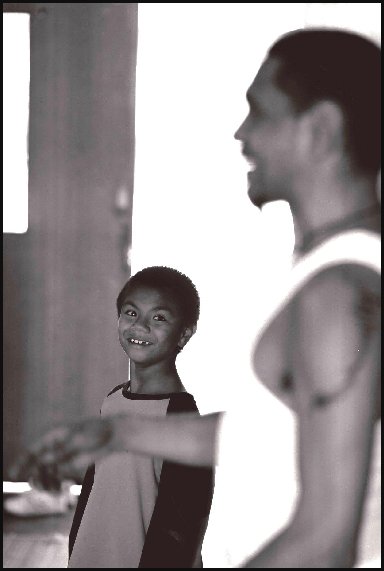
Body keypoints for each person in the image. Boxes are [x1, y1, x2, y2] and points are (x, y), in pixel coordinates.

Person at [12, 29, 381, 568]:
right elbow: (281, 433)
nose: (242, 133)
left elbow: (324, 543)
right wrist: (120, 431)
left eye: (260, 112)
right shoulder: (343, 270)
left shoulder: (337, 294)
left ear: (320, 130)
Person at [23, 265, 214, 568]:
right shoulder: (113, 401)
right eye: (131, 312)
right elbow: (92, 491)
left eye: (159, 317)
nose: (140, 326)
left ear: (184, 334)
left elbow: (186, 525)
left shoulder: (181, 418)